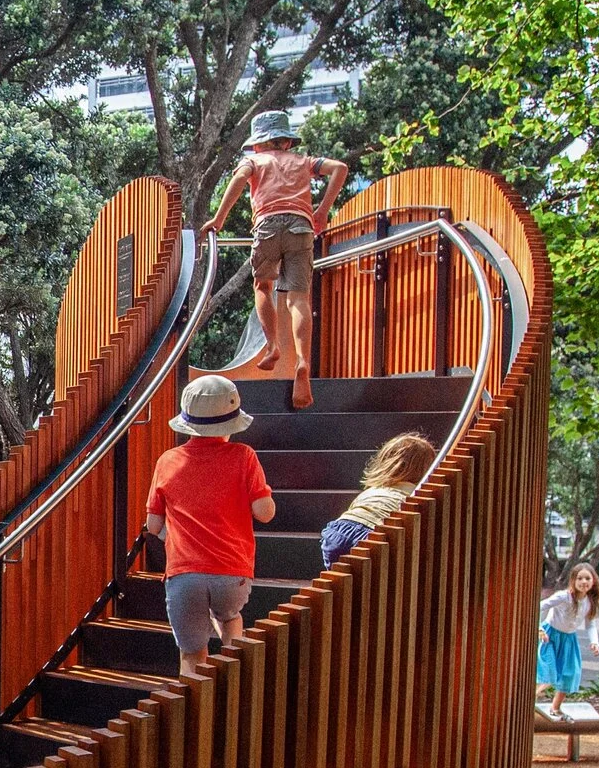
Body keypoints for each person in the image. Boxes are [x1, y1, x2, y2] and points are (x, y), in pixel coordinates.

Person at [208, 112, 350, 411]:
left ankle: (272, 346)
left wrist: (218, 220)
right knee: (298, 299)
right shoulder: (302, 161)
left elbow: (238, 180)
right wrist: (322, 211)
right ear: (286, 140)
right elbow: (340, 168)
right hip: (301, 226)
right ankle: (302, 361)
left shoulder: (255, 162)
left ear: (258, 143)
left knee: (263, 286)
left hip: (268, 225)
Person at [144, 374, 276, 674]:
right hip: (231, 571)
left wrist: (176, 536)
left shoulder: (167, 461)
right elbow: (265, 512)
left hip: (183, 575)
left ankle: (191, 714)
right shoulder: (244, 456)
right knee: (230, 619)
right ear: (231, 425)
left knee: (191, 654)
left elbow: (152, 525)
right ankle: (237, 684)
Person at [319, 433, 437, 569]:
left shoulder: (373, 490)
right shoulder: (417, 494)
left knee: (339, 580)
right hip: (373, 534)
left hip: (338, 530)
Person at [535, 562, 599, 712]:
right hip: (550, 636)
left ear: (593, 581)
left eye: (587, 578)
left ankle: (555, 708)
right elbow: (540, 606)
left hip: (568, 640)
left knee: (569, 673)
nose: (584, 582)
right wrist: (539, 629)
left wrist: (595, 642)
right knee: (548, 672)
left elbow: (590, 625)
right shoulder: (564, 597)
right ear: (573, 580)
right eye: (580, 578)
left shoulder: (589, 602)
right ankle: (529, 701)